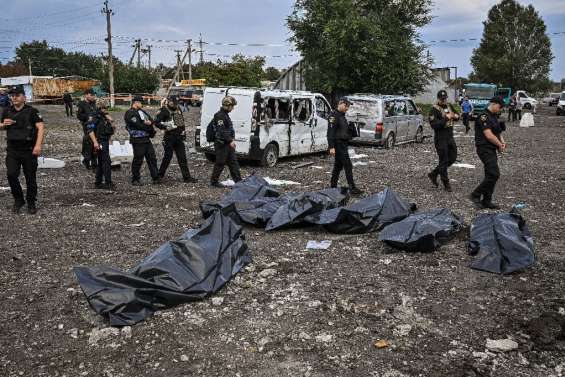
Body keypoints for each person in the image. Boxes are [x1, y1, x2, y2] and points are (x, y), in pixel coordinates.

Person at [0, 86, 45, 214]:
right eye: (12, 95)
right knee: (11, 175)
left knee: (30, 177)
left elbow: (41, 127)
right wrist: (3, 124)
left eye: (17, 95)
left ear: (24, 97)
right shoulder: (6, 110)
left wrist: (38, 146)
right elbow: (0, 125)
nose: (14, 97)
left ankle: (31, 202)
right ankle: (18, 200)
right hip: (13, 150)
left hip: (29, 149)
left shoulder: (32, 111)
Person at [469, 96, 507, 209]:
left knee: (490, 174)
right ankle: (475, 194)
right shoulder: (483, 116)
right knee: (494, 174)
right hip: (484, 148)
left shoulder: (494, 116)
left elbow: (498, 132)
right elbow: (489, 135)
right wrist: (499, 145)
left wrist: (503, 143)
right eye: (499, 107)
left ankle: (487, 200)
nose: (500, 110)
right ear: (494, 104)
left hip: (492, 148)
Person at [155, 96, 197, 183]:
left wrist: (184, 134)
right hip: (169, 137)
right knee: (167, 157)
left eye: (176, 103)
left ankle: (187, 177)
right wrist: (165, 127)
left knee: (182, 158)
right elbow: (156, 122)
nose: (175, 105)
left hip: (178, 137)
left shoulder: (177, 109)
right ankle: (159, 176)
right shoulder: (163, 110)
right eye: (173, 103)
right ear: (169, 102)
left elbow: (181, 123)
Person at [327, 98, 362, 195]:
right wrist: (331, 147)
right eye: (346, 106)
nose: (347, 108)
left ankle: (332, 187)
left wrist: (351, 130)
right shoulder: (334, 115)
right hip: (338, 145)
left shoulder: (342, 116)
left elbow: (342, 130)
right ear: (341, 104)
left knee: (338, 167)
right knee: (348, 165)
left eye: (348, 106)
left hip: (343, 144)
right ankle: (352, 188)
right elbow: (330, 132)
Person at [427, 90, 460, 192]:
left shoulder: (449, 106)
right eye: (442, 99)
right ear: (438, 99)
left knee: (453, 157)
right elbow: (435, 125)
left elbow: (457, 114)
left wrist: (455, 116)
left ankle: (434, 173)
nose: (444, 100)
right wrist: (446, 118)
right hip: (440, 137)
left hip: (450, 136)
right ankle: (446, 183)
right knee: (444, 160)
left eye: (445, 98)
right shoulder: (434, 110)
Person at [124, 95, 160, 185]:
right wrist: (148, 127)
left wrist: (150, 123)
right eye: (141, 102)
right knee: (138, 159)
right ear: (135, 102)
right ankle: (135, 179)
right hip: (138, 139)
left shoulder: (141, 111)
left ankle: (155, 177)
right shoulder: (130, 113)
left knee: (152, 158)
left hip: (146, 139)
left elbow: (151, 120)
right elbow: (138, 125)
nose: (142, 104)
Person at [208, 96, 241, 188]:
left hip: (227, 143)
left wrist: (231, 139)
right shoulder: (219, 116)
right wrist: (230, 140)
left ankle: (238, 181)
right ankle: (214, 182)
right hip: (221, 144)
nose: (233, 108)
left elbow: (228, 129)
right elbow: (221, 131)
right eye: (232, 106)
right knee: (220, 162)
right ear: (227, 105)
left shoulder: (225, 115)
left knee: (233, 162)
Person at [87, 100, 115, 189]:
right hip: (99, 141)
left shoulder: (104, 117)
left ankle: (98, 182)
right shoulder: (95, 116)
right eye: (106, 108)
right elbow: (90, 130)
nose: (107, 110)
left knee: (102, 162)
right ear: (101, 108)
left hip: (104, 141)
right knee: (106, 162)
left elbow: (110, 129)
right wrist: (95, 142)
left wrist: (110, 120)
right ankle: (108, 182)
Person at [76, 89, 98, 170]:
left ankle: (94, 162)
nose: (93, 97)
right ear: (86, 95)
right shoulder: (81, 104)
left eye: (93, 95)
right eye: (91, 95)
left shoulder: (93, 103)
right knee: (89, 143)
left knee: (95, 143)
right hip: (87, 126)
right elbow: (79, 116)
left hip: (95, 125)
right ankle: (87, 160)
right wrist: (87, 118)